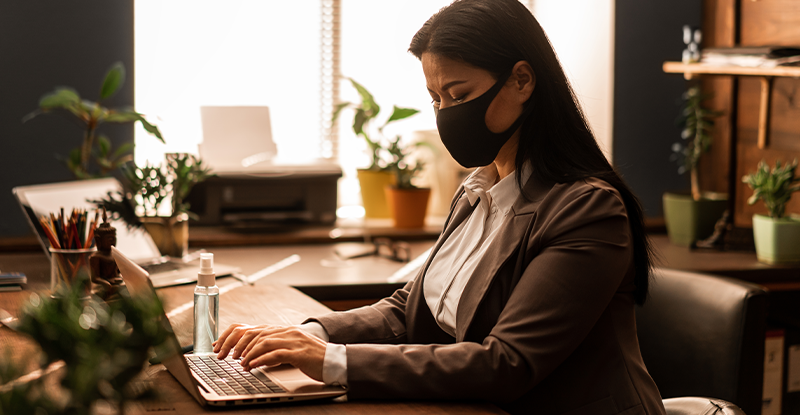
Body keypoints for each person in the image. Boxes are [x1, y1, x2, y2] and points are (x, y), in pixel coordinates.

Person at [214, 1, 666, 413]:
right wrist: (313, 334)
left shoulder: (587, 209)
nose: (446, 113)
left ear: (522, 80)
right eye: (436, 99)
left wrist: (332, 361)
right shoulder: (478, 191)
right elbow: (409, 308)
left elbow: (507, 363)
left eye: (459, 95)